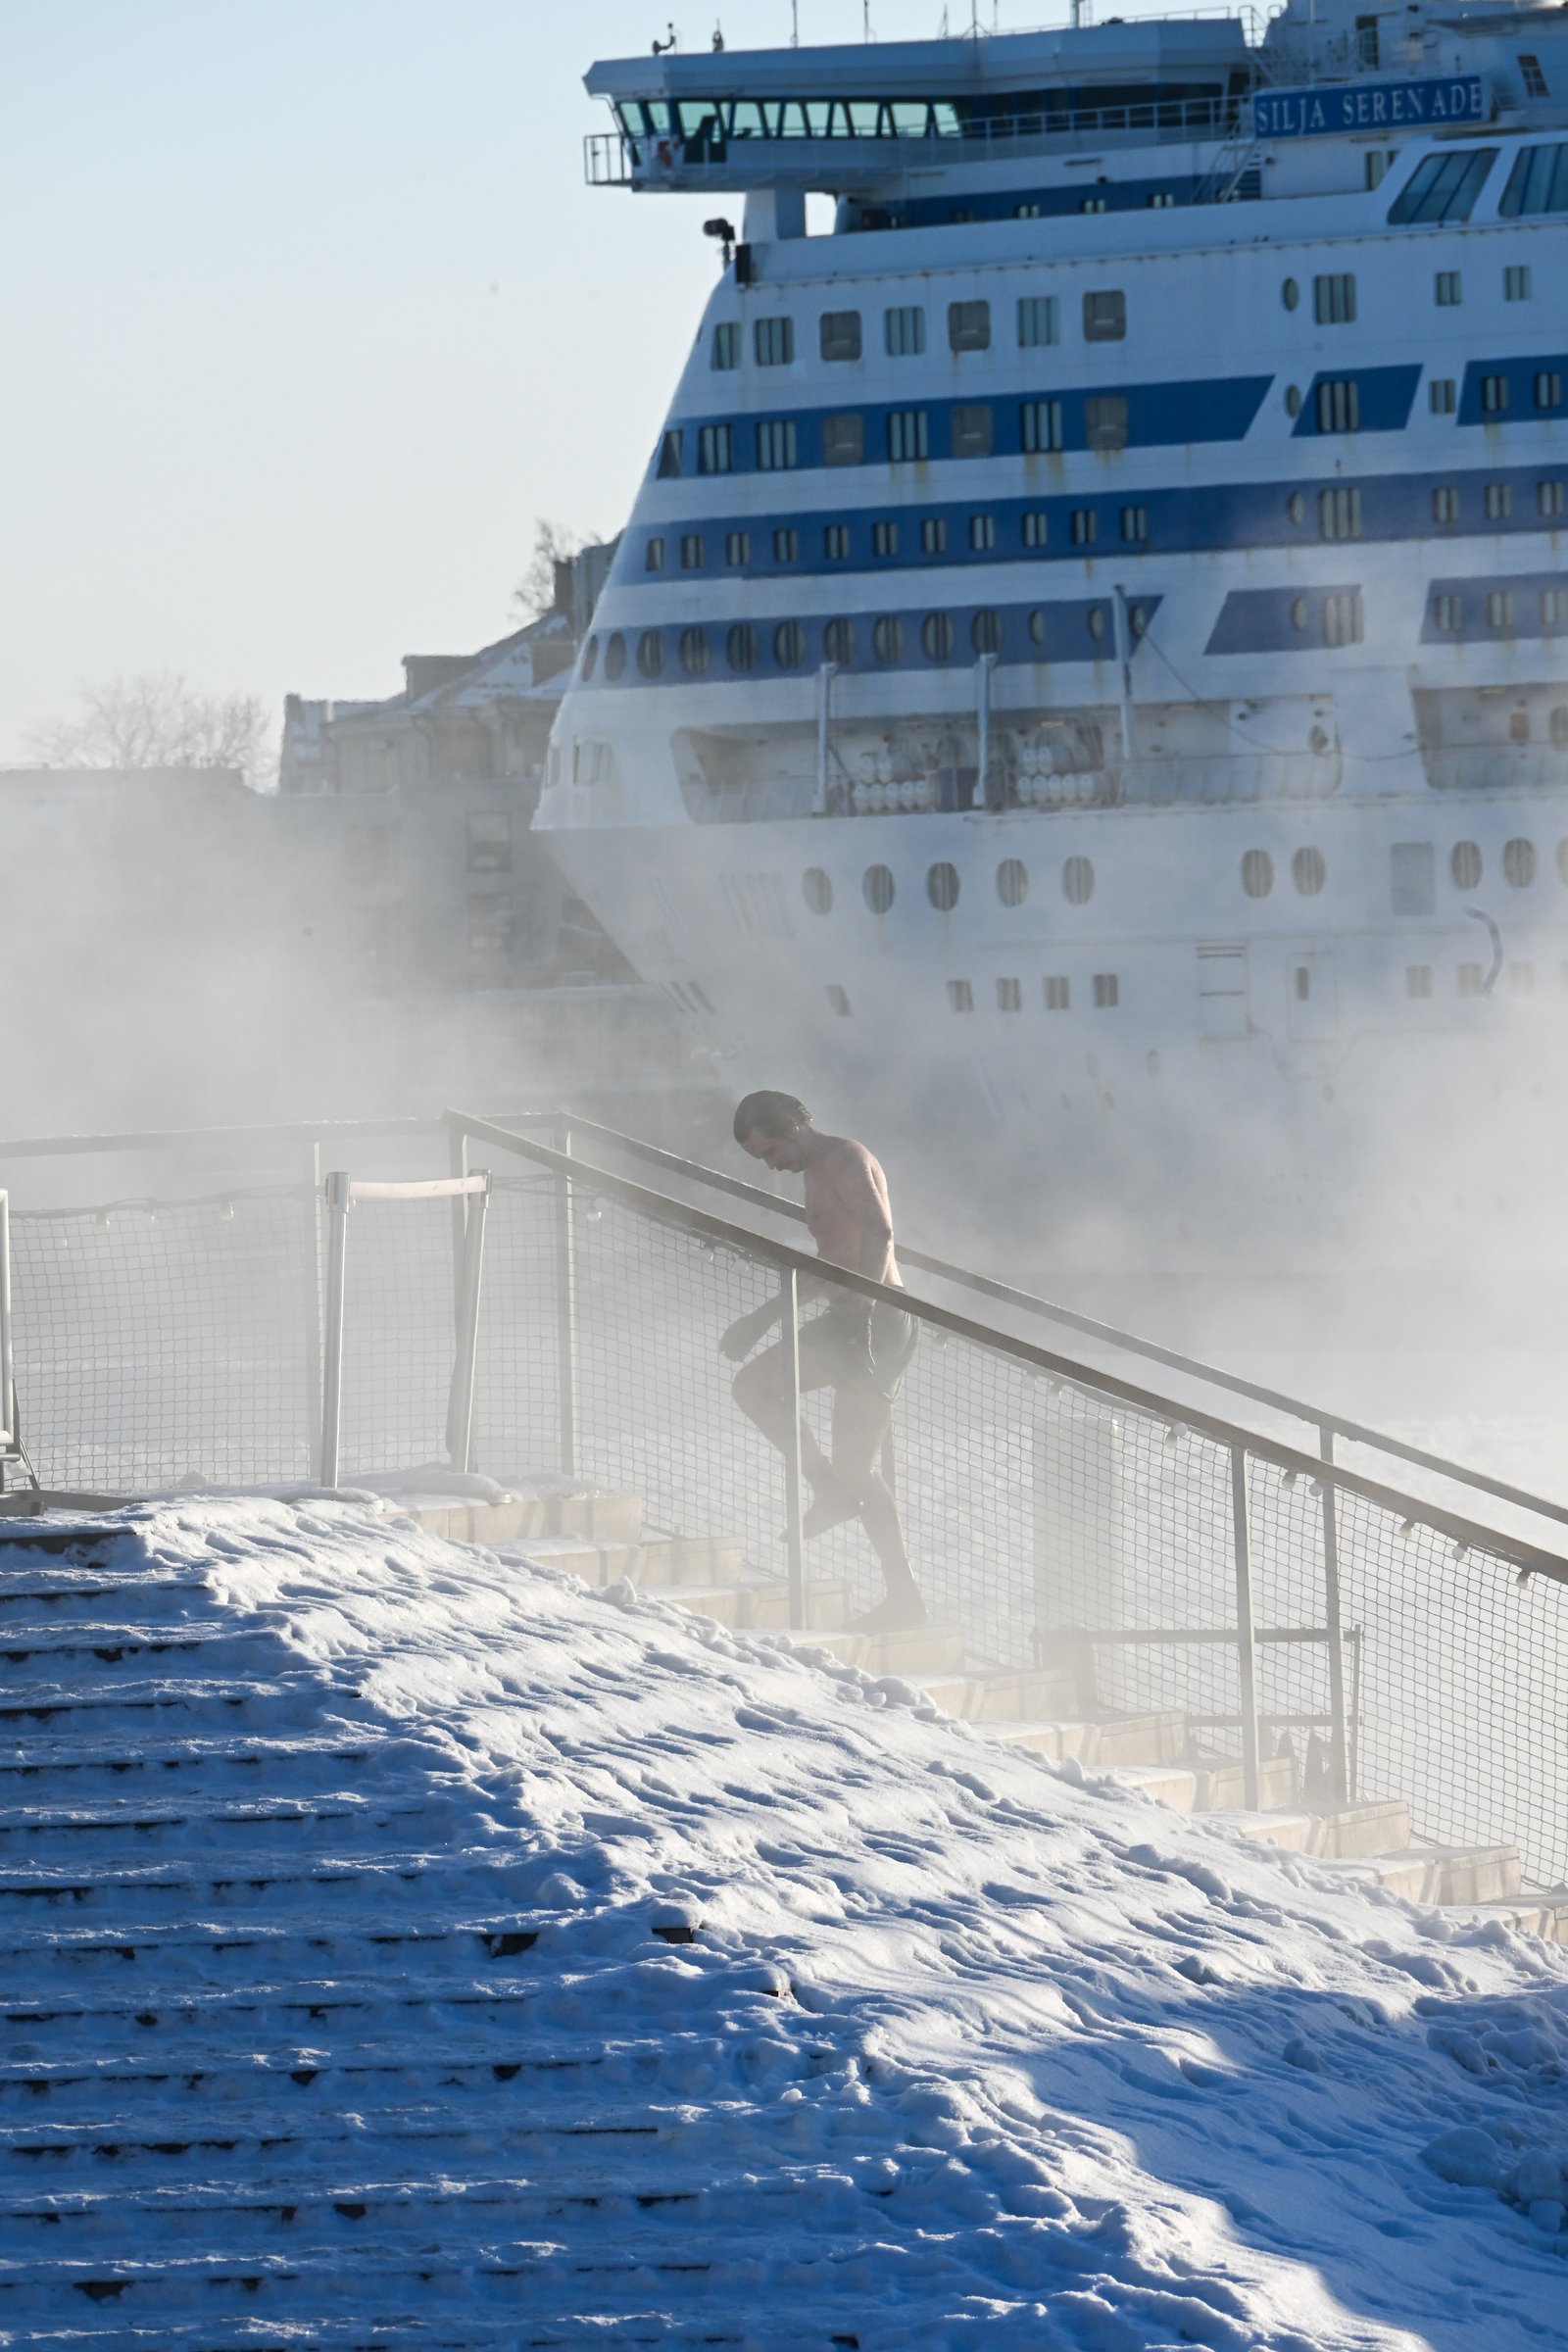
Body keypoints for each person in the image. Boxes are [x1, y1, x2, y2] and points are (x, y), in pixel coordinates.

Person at [719, 1091, 923, 1632]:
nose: (771, 1167)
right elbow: (832, 1261)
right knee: (760, 1392)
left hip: (875, 1320)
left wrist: (864, 1306)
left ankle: (897, 1586)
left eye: (769, 1154)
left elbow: (879, 1231)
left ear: (791, 1130)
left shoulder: (844, 1159)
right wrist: (763, 1316)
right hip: (854, 1319)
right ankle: (835, 1496)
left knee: (844, 1457)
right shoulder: (816, 1171)